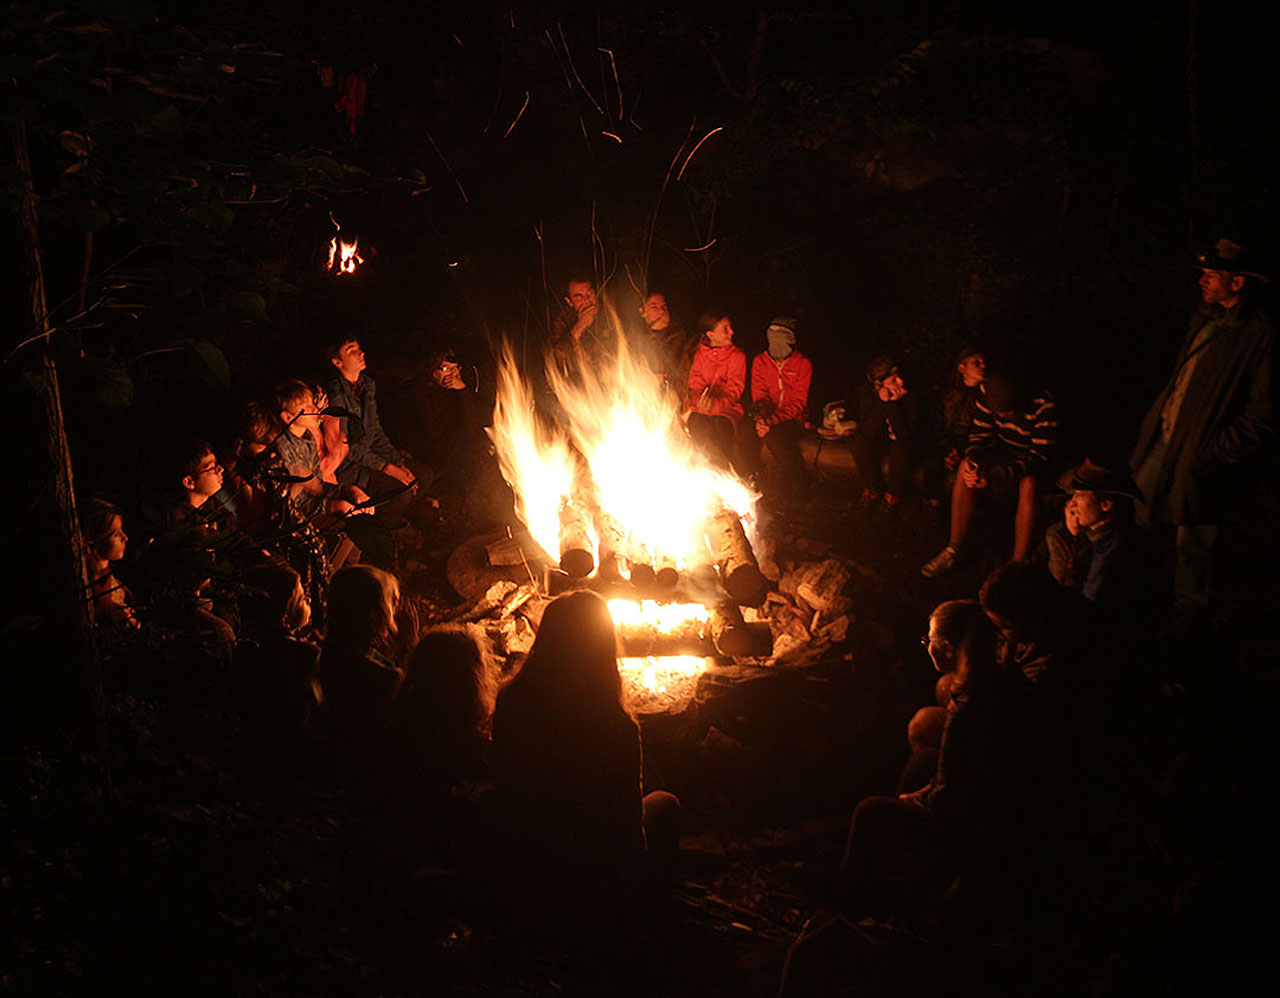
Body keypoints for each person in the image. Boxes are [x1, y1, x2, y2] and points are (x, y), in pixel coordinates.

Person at [491, 590, 681, 905]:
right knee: (666, 803)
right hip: (591, 864)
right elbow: (628, 826)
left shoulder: (511, 700)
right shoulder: (614, 724)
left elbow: (504, 780)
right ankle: (650, 907)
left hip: (526, 848)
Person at [1131, 238, 1274, 613]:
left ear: (1238, 282)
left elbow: (1264, 412)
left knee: (1193, 538)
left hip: (1201, 454)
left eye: (1212, 275)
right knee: (1137, 516)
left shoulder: (1260, 334)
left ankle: (1188, 620)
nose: (1203, 281)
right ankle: (1132, 599)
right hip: (1165, 441)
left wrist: (1211, 450)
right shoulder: (1207, 318)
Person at [921, 365, 1058, 576]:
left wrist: (997, 475)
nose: (1003, 416)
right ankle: (953, 548)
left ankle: (1016, 565)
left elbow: (1038, 457)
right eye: (999, 413)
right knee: (966, 465)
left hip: (1029, 460)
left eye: (1007, 412)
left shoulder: (1043, 405)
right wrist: (975, 462)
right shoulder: (987, 395)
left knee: (1029, 483)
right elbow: (979, 436)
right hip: (1002, 451)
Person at [385, 625, 503, 858]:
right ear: (473, 679)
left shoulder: (399, 723)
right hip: (443, 848)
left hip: (396, 838)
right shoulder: (470, 751)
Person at [230, 562, 322, 783]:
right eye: (301, 599)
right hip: (290, 754)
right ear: (285, 618)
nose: (309, 601)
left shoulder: (244, 646)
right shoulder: (305, 655)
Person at [1040, 458, 1160, 626]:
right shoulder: (1098, 536)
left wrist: (1072, 539)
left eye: (1080, 495)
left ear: (1105, 505)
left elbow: (1085, 606)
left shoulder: (1114, 549)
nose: (1071, 503)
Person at [318, 564, 408, 785]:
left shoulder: (332, 650)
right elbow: (409, 708)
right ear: (375, 613)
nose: (398, 609)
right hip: (366, 772)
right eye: (392, 602)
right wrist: (410, 650)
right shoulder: (382, 678)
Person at [325, 337, 422, 498]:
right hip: (350, 466)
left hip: (370, 458)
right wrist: (387, 468)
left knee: (423, 475)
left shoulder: (367, 385)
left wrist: (396, 461)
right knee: (401, 491)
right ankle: (375, 519)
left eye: (359, 348)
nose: (361, 353)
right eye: (352, 350)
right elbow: (347, 447)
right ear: (337, 362)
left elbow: (375, 431)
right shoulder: (335, 396)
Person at [747, 316, 812, 501]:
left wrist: (773, 420)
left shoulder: (802, 364)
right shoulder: (760, 361)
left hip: (792, 419)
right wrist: (762, 418)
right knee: (745, 434)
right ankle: (752, 481)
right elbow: (759, 396)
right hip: (767, 417)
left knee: (778, 439)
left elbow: (799, 402)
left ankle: (797, 486)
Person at [848, 355, 922, 511]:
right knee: (857, 442)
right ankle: (873, 489)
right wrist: (883, 404)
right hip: (881, 442)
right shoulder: (868, 394)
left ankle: (892, 497)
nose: (901, 382)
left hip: (903, 445)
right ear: (878, 386)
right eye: (893, 381)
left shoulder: (910, 396)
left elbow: (905, 435)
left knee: (900, 449)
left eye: (898, 377)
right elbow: (867, 430)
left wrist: (892, 405)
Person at [683, 309, 747, 470]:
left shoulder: (737, 356)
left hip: (727, 410)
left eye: (730, 327)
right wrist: (699, 401)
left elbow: (735, 390)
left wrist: (716, 405)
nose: (731, 332)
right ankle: (697, 471)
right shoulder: (700, 354)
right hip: (700, 408)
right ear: (710, 334)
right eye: (725, 329)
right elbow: (695, 384)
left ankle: (724, 473)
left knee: (719, 429)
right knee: (697, 426)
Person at [925, 346, 987, 499]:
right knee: (932, 466)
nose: (983, 366)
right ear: (962, 367)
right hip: (948, 446)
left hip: (971, 448)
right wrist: (949, 449)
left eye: (984, 362)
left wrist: (961, 452)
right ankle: (935, 506)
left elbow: (982, 431)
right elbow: (938, 424)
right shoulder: (950, 393)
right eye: (976, 363)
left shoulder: (987, 395)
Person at [81, 498, 140, 630]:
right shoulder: (92, 590)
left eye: (122, 530)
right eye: (115, 534)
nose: (125, 537)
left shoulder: (114, 583)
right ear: (92, 546)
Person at [639, 290, 694, 389]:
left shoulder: (677, 335)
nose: (661, 311)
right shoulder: (636, 335)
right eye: (654, 307)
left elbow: (672, 366)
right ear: (642, 312)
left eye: (664, 307)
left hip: (672, 391)